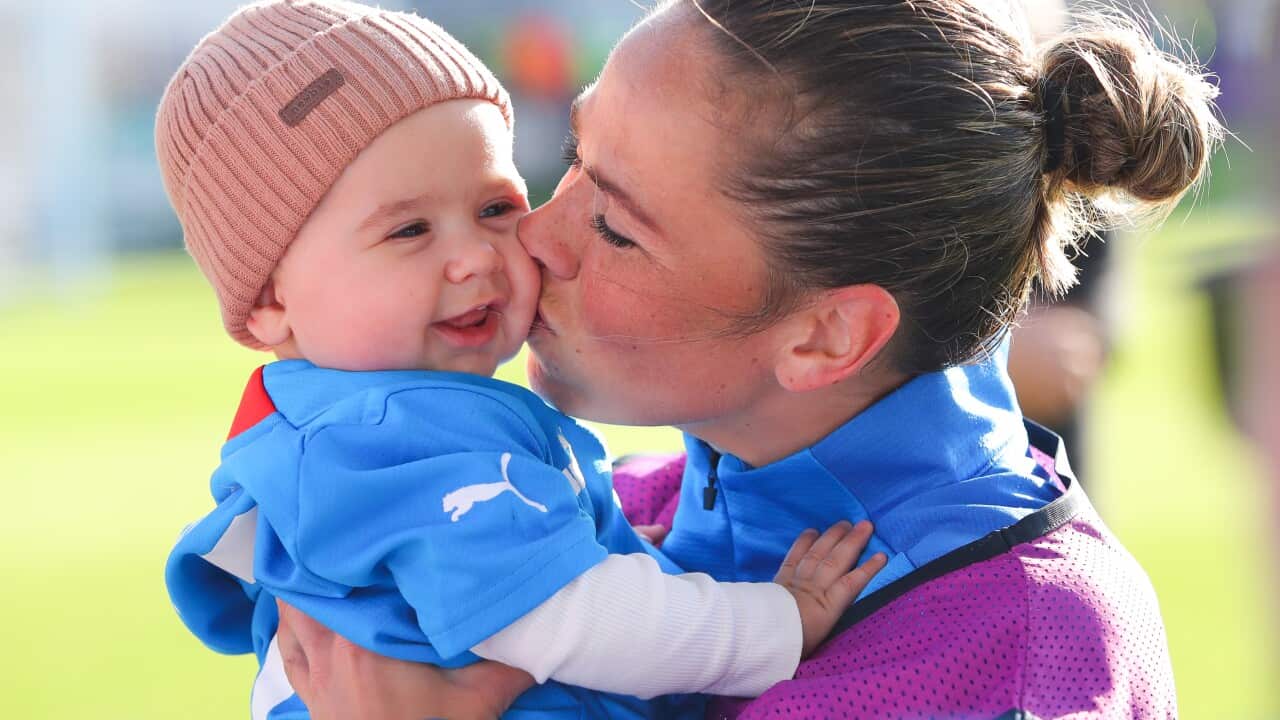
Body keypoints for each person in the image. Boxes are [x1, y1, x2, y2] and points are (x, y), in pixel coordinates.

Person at [274, 0, 1224, 718]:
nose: (529, 235)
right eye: (573, 153)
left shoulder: (1014, 653)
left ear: (825, 336)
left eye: (612, 224)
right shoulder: (593, 514)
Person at [156, 2, 889, 719]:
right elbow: (576, 619)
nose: (476, 255)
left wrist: (613, 545)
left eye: (495, 208)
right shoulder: (386, 441)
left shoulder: (369, 424)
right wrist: (777, 622)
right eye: (410, 230)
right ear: (269, 304)